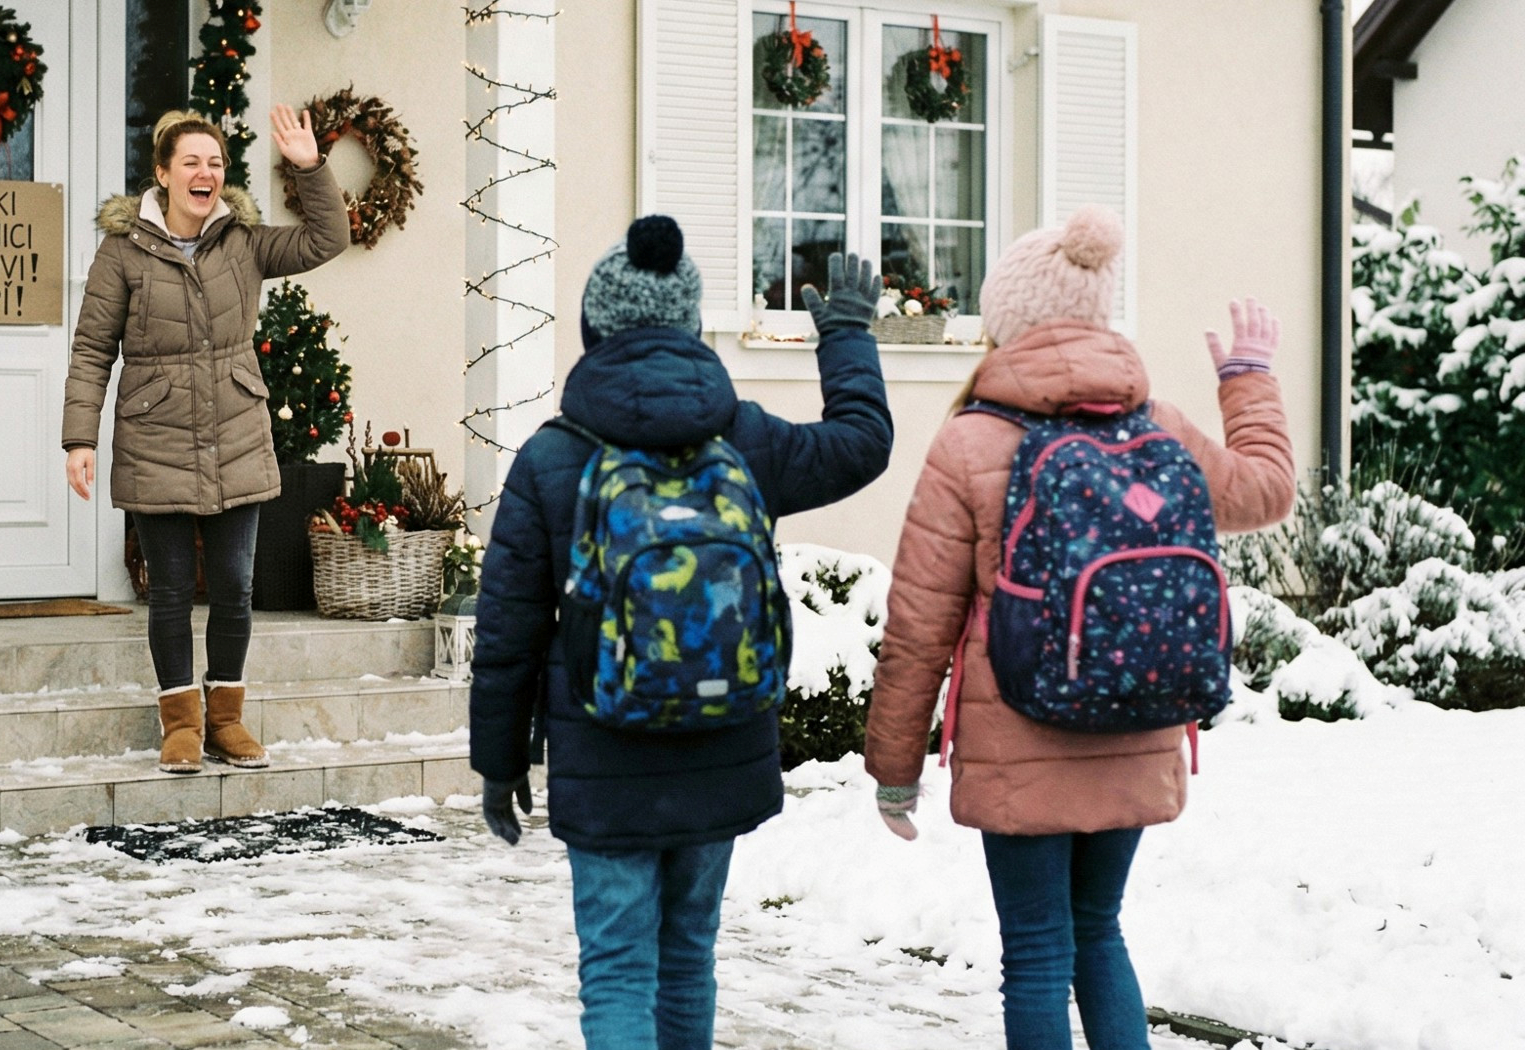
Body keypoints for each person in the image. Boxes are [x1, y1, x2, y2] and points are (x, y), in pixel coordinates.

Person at [863, 205, 1295, 1050]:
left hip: (1018, 735)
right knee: (1099, 933)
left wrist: (893, 769)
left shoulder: (971, 441)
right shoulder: (1157, 425)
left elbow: (919, 624)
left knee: (1033, 955)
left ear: (1004, 321)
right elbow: (1268, 491)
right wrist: (1248, 377)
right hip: (1139, 723)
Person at [471, 215, 894, 1050]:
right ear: (693, 324)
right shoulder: (743, 438)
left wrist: (498, 762)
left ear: (595, 330)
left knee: (619, 969)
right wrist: (845, 336)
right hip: (721, 747)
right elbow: (861, 444)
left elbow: (507, 631)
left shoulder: (553, 457)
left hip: (603, 752)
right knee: (689, 958)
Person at [61, 105, 349, 773]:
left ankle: (226, 719)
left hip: (236, 433)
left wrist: (310, 167)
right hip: (154, 432)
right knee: (168, 589)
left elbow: (325, 241)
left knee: (233, 585)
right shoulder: (123, 252)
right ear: (162, 174)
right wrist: (81, 437)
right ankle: (180, 725)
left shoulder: (244, 241)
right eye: (191, 162)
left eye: (215, 163)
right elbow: (91, 348)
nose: (205, 173)